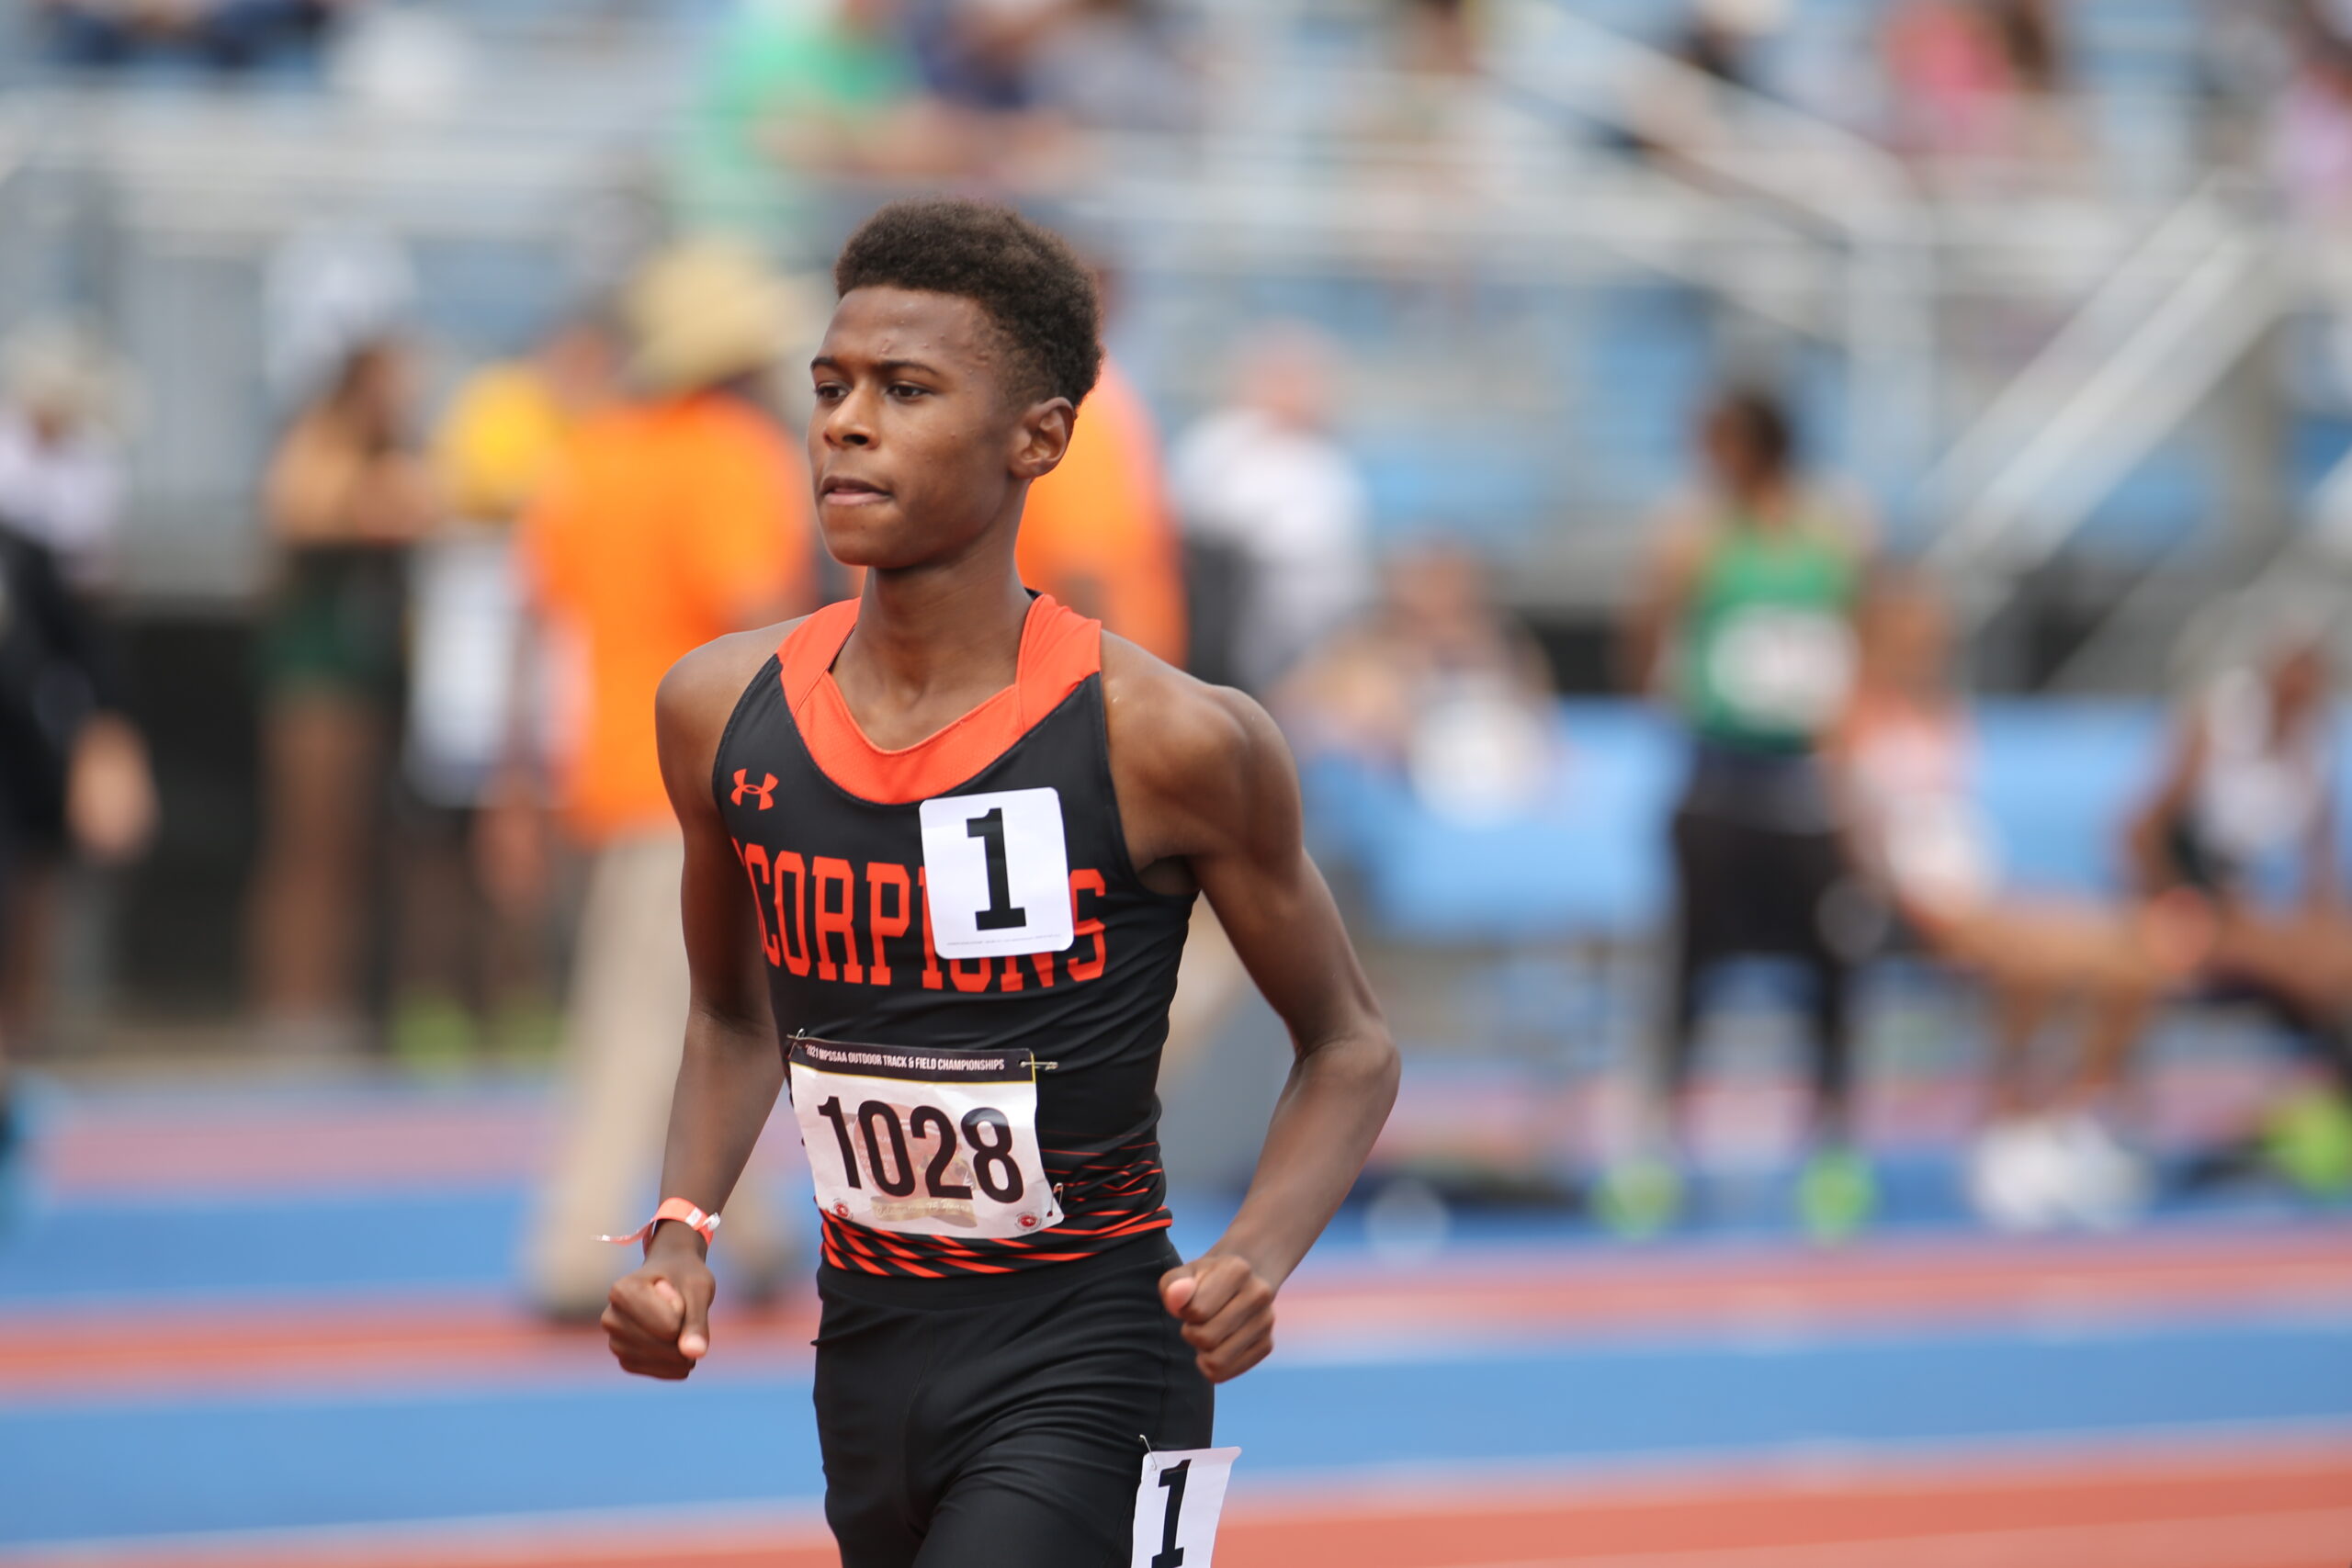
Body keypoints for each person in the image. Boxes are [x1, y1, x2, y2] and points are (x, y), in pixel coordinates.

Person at [598, 197, 1398, 1567]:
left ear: (1040, 438)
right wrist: (682, 1228)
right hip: (864, 1362)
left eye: (908, 391)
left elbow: (1349, 1043)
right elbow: (738, 1019)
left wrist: (1258, 1250)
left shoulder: (1170, 737)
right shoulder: (719, 709)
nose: (847, 424)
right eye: (831, 386)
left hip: (1090, 1353)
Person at [510, 241, 815, 1321]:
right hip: (710, 773)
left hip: (609, 767)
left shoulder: (590, 452)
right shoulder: (732, 453)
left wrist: (518, 783)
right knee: (659, 1021)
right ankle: (568, 1247)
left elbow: (539, 618)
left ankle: (763, 1226)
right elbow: (757, 612)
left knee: (719, 1009)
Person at [1832, 577, 2206, 1230]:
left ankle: (2068, 1117)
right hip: (1891, 902)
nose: (1927, 653)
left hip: (1971, 891)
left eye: (1935, 642)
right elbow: (1853, 837)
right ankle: (2006, 1127)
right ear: (1877, 638)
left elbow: (1952, 825)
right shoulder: (1848, 718)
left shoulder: (1944, 715)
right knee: (2026, 961)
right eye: (1913, 640)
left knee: (2142, 953)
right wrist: (1919, 897)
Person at [1612, 385, 1875, 1240]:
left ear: (1757, 442)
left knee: (1831, 967)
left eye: (1718, 439)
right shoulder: (1692, 536)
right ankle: (1660, 1150)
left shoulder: (1833, 531)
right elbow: (1646, 635)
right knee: (1689, 968)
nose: (1705, 457)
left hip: (1806, 788)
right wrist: (1676, 687)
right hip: (1719, 780)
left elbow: (1857, 640)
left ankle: (1832, 1150)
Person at [394, 312, 620, 1063]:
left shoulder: (602, 431)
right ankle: (436, 1008)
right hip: (470, 662)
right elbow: (468, 497)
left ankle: (525, 999)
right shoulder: (502, 409)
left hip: (548, 663)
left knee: (539, 852)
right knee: (449, 849)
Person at [244, 335, 436, 1053]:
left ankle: (333, 999)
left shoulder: (386, 453)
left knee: (350, 846)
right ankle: (294, 1002)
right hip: (314, 676)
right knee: (306, 844)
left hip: (362, 676)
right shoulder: (319, 446)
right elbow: (304, 509)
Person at [2127, 616, 2352, 1197]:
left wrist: (2324, 928)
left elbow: (2318, 875)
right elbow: (2141, 832)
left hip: (2246, 906)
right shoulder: (2219, 724)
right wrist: (2177, 902)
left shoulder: (2311, 751)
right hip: (2196, 902)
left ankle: (2326, 1103)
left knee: (2334, 957)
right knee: (2312, 972)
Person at [1171, 323, 1373, 696]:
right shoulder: (1220, 440)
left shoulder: (1328, 466)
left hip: (1304, 640)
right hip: (1216, 625)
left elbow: (1333, 570)